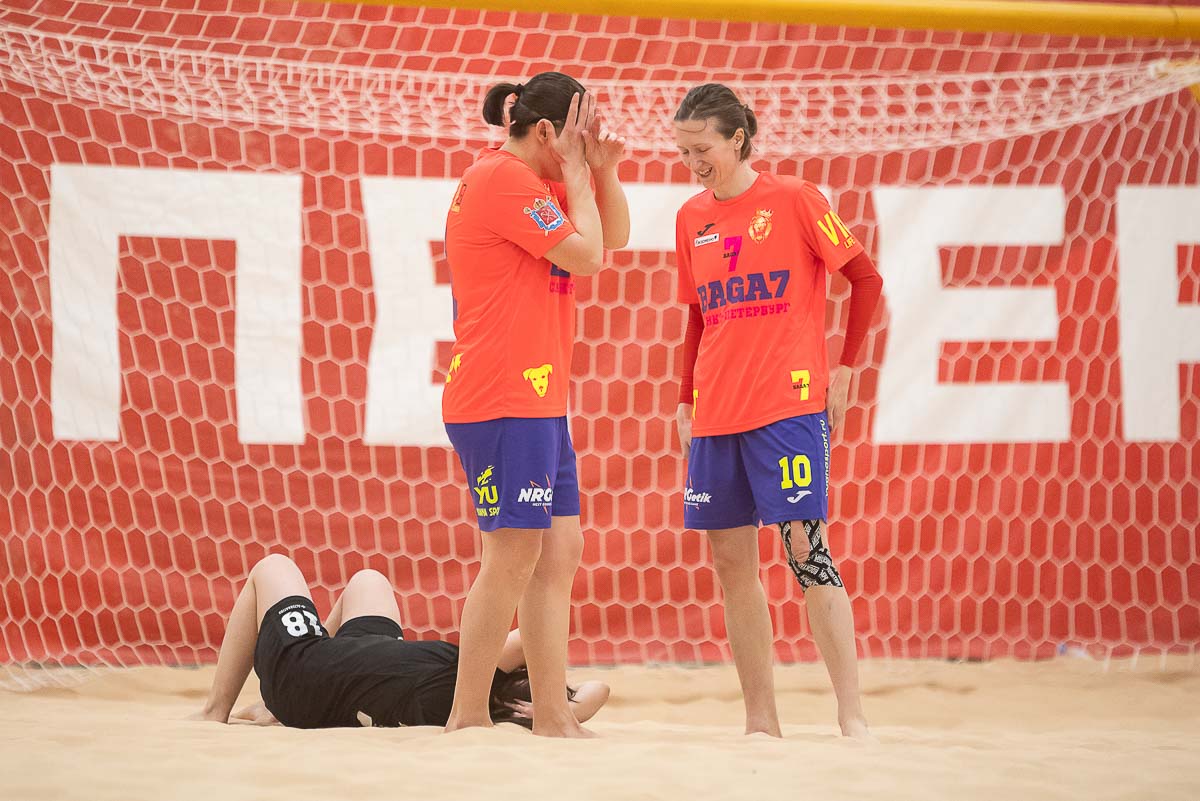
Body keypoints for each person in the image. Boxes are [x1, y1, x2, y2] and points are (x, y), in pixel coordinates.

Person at [671, 83, 883, 739]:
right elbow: (698, 316)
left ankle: (852, 714)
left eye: (702, 149)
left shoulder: (796, 199)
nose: (693, 162)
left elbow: (866, 279)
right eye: (683, 151)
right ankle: (761, 720)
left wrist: (845, 369)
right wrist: (683, 399)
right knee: (732, 564)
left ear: (737, 139)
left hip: (787, 407)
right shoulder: (690, 217)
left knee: (806, 550)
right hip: (716, 414)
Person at [441, 71, 628, 738]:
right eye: (580, 134)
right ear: (547, 131)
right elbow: (588, 257)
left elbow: (614, 235)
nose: (586, 143)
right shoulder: (502, 179)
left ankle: (551, 713)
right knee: (513, 557)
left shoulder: (535, 179)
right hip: (501, 395)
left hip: (539, 399)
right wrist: (578, 175)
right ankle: (466, 714)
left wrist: (600, 170)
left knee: (558, 552)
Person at [190, 554, 611, 729]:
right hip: (355, 668)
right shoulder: (492, 697)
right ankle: (274, 706)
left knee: (272, 566)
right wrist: (558, 704)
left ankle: (214, 711)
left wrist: (556, 702)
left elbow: (533, 638)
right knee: (368, 580)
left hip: (306, 672)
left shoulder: (487, 682)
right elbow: (597, 690)